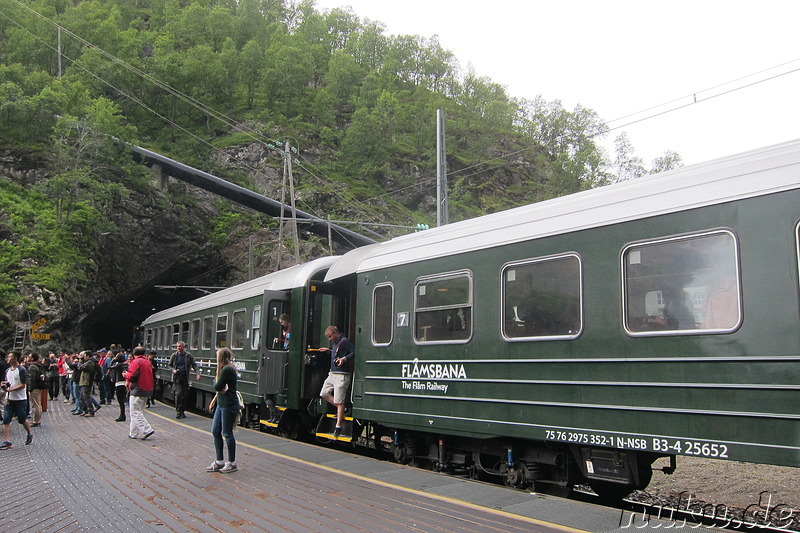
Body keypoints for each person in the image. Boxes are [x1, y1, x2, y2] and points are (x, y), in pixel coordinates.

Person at [319, 325, 354, 438]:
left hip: (341, 375)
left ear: (335, 333)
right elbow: (338, 352)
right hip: (332, 374)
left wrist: (344, 359)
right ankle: (344, 409)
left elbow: (354, 352)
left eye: (330, 336)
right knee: (324, 393)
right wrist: (329, 350)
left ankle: (338, 426)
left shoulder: (345, 341)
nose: (329, 339)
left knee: (339, 401)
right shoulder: (336, 343)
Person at [207, 347, 238, 474]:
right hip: (221, 404)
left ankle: (232, 462)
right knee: (215, 430)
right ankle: (220, 461)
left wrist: (215, 380)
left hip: (228, 404)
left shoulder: (226, 369)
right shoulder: (226, 368)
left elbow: (217, 385)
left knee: (227, 433)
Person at [1, 351, 33, 449]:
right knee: (6, 420)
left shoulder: (21, 370)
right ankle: (7, 441)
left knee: (22, 419)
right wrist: (4, 384)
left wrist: (10, 389)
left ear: (15, 359)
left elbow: (23, 385)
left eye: (10, 357)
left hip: (20, 399)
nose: (8, 358)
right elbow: (9, 381)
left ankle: (29, 433)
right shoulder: (8, 370)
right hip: (9, 399)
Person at [124, 347, 154, 440]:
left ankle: (147, 429)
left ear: (134, 354)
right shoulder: (147, 362)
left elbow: (132, 375)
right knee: (138, 411)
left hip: (137, 389)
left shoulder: (136, 362)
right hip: (147, 389)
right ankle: (133, 433)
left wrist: (125, 375)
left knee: (135, 412)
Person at [169, 341, 199, 419]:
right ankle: (178, 412)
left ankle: (182, 411)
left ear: (183, 347)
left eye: (180, 346)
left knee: (184, 395)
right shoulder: (174, 355)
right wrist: (173, 370)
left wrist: (197, 373)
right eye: (177, 346)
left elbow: (194, 365)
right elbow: (170, 365)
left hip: (185, 377)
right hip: (177, 377)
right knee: (178, 393)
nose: (178, 348)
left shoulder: (188, 356)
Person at [26, 352, 46, 427]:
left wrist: (30, 388)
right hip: (38, 387)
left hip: (34, 388)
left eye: (29, 356)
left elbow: (32, 378)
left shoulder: (32, 367)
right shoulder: (38, 366)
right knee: (38, 403)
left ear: (32, 358)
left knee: (35, 404)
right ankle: (38, 419)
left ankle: (35, 420)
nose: (27, 357)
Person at [108, 350, 129, 422]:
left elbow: (110, 367)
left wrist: (113, 360)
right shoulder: (126, 364)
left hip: (119, 383)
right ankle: (122, 414)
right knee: (122, 400)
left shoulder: (118, 364)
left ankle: (122, 415)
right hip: (124, 383)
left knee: (120, 400)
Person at [78, 351, 98, 417]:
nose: (83, 357)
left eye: (84, 356)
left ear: (88, 356)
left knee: (86, 396)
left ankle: (91, 410)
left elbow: (81, 367)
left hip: (87, 380)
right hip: (84, 380)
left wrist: (80, 362)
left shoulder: (90, 362)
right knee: (82, 397)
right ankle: (85, 410)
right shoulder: (88, 362)